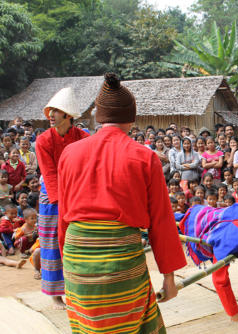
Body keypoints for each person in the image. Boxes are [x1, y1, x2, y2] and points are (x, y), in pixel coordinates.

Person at [57, 73, 186, 333]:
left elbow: (64, 216)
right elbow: (161, 220)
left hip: (76, 254)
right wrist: (169, 277)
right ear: (132, 118)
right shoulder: (143, 157)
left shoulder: (69, 153)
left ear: (99, 116)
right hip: (120, 256)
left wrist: (67, 263)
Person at [35, 87, 89, 309]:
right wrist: (61, 202)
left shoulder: (83, 137)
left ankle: (78, 289)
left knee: (79, 242)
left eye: (55, 111)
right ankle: (56, 295)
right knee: (52, 243)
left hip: (77, 193)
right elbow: (48, 173)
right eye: (50, 111)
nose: (50, 115)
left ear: (67, 115)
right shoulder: (43, 140)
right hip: (52, 195)